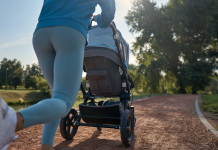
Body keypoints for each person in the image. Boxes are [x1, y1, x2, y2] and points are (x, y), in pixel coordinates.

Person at [0, 0, 115, 149]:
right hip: (70, 32)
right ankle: (10, 121)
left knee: (57, 98)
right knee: (64, 101)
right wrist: (99, 20)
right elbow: (109, 13)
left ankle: (46, 146)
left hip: (41, 33)